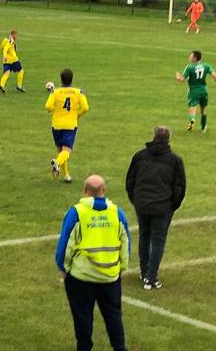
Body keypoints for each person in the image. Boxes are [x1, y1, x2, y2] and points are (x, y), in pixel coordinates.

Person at [56, 175, 130, 351]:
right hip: (110, 277)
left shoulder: (77, 213)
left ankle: (84, 347)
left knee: (82, 317)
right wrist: (122, 268)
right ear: (103, 191)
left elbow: (65, 246)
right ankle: (119, 347)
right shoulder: (117, 213)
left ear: (85, 191)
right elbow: (125, 244)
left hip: (82, 277)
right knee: (113, 316)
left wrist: (63, 267)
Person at [125, 126, 186, 291]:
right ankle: (151, 278)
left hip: (142, 204)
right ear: (168, 139)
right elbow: (180, 187)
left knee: (144, 236)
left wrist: (136, 200)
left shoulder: (140, 156)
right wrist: (172, 206)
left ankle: (144, 272)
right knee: (158, 241)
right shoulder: (175, 160)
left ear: (153, 137)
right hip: (162, 207)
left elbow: (130, 180)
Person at [46, 69, 89, 183]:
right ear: (72, 79)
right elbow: (85, 108)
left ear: (61, 79)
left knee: (60, 149)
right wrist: (76, 115)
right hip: (70, 125)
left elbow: (48, 107)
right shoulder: (78, 92)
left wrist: (56, 109)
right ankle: (57, 163)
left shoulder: (56, 92)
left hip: (56, 125)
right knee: (67, 150)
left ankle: (66, 175)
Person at [175, 50, 215, 132]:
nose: (189, 57)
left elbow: (182, 79)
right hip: (204, 90)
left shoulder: (190, 67)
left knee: (192, 110)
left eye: (191, 56)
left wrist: (178, 76)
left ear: (195, 58)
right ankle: (203, 128)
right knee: (203, 109)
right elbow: (214, 75)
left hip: (193, 91)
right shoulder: (206, 66)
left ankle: (191, 126)